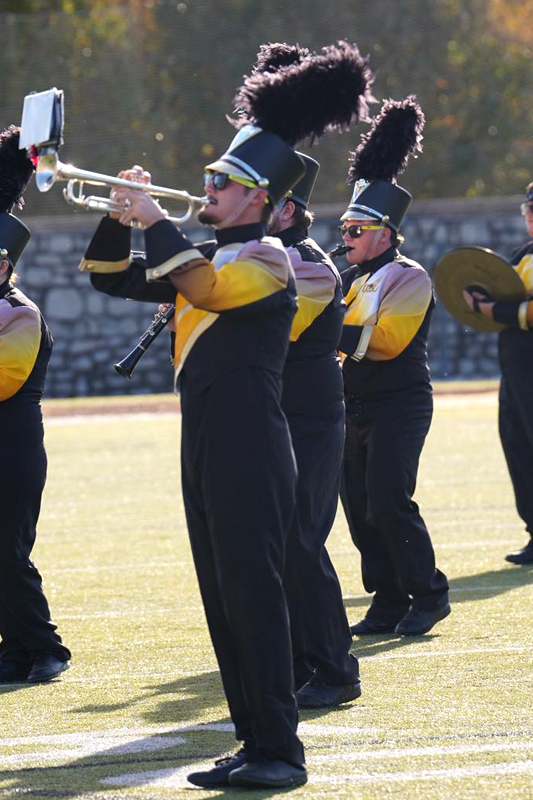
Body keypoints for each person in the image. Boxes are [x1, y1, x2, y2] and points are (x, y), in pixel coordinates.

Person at [78, 43, 373, 788]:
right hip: (205, 439)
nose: (204, 188)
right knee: (223, 602)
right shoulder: (203, 251)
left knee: (255, 598)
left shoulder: (269, 258)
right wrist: (120, 218)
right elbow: (108, 279)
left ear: (260, 202)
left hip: (250, 443)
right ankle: (253, 739)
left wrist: (156, 223)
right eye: (208, 179)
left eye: (221, 182)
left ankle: (281, 749)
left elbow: (206, 289)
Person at [337, 98, 450, 637]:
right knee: (359, 510)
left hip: (399, 403)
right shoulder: (349, 279)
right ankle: (386, 600)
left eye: (356, 230)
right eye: (344, 228)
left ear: (385, 232)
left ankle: (429, 594)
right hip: (352, 405)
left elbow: (383, 343)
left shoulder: (409, 277)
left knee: (388, 501)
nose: (346, 238)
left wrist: (316, 324)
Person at [267, 153, 359, 708]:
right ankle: (304, 659)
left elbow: (266, 323)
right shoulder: (272, 258)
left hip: (312, 417)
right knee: (281, 543)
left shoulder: (310, 266)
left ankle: (336, 668)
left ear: (290, 210)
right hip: (282, 414)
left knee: (302, 540)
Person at [0, 125, 71, 684]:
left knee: (8, 553)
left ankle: (47, 647)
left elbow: (4, 380)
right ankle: (14, 649)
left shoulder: (19, 314)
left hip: (14, 448)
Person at [463, 181, 533, 566]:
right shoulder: (523, 253)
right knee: (518, 446)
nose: (531, 218)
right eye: (528, 211)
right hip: (517, 368)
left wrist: (492, 311)